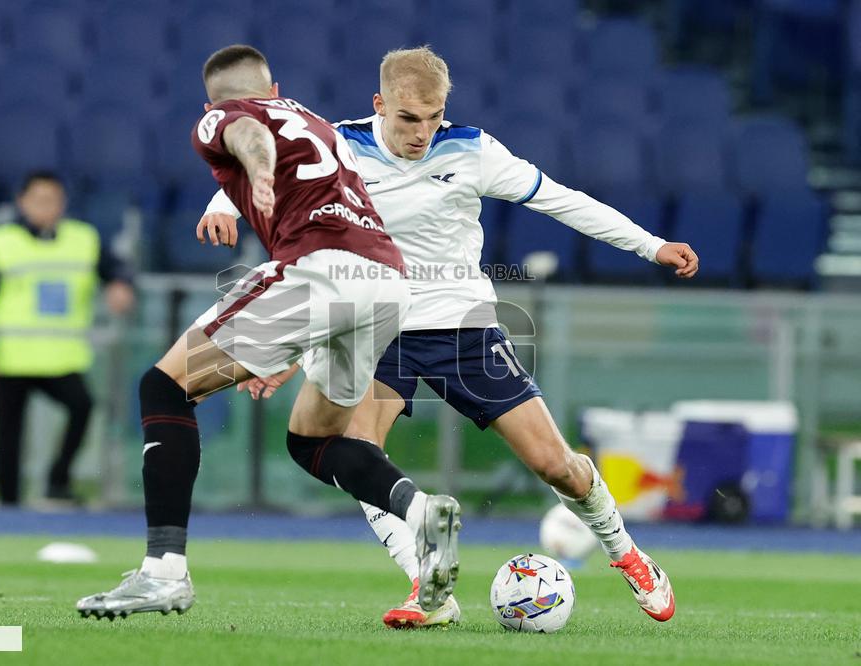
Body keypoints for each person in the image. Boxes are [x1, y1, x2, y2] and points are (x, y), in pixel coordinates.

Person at [200, 46, 697, 628]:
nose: (422, 131)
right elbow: (262, 167)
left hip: (462, 325)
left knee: (555, 464)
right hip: (377, 325)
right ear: (379, 105)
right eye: (409, 118)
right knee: (358, 451)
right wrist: (221, 205)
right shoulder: (335, 145)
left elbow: (564, 201)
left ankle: (628, 554)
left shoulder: (472, 149)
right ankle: (428, 588)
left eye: (433, 116)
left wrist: (650, 246)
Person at [76, 45, 461, 620]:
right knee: (315, 441)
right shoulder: (316, 124)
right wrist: (290, 341)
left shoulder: (222, 117)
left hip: (317, 270)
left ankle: (163, 572)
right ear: (275, 86)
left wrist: (256, 170)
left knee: (164, 388)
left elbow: (246, 133)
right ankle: (419, 507)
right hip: (382, 280)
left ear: (214, 101)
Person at [0, 170, 135, 506]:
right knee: (9, 434)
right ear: (22, 202)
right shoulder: (1, 243)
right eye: (39, 200)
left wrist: (120, 283)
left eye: (54, 200)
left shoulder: (83, 239)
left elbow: (116, 269)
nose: (47, 207)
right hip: (11, 357)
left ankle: (57, 480)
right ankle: (8, 505)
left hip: (60, 356)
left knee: (82, 407)